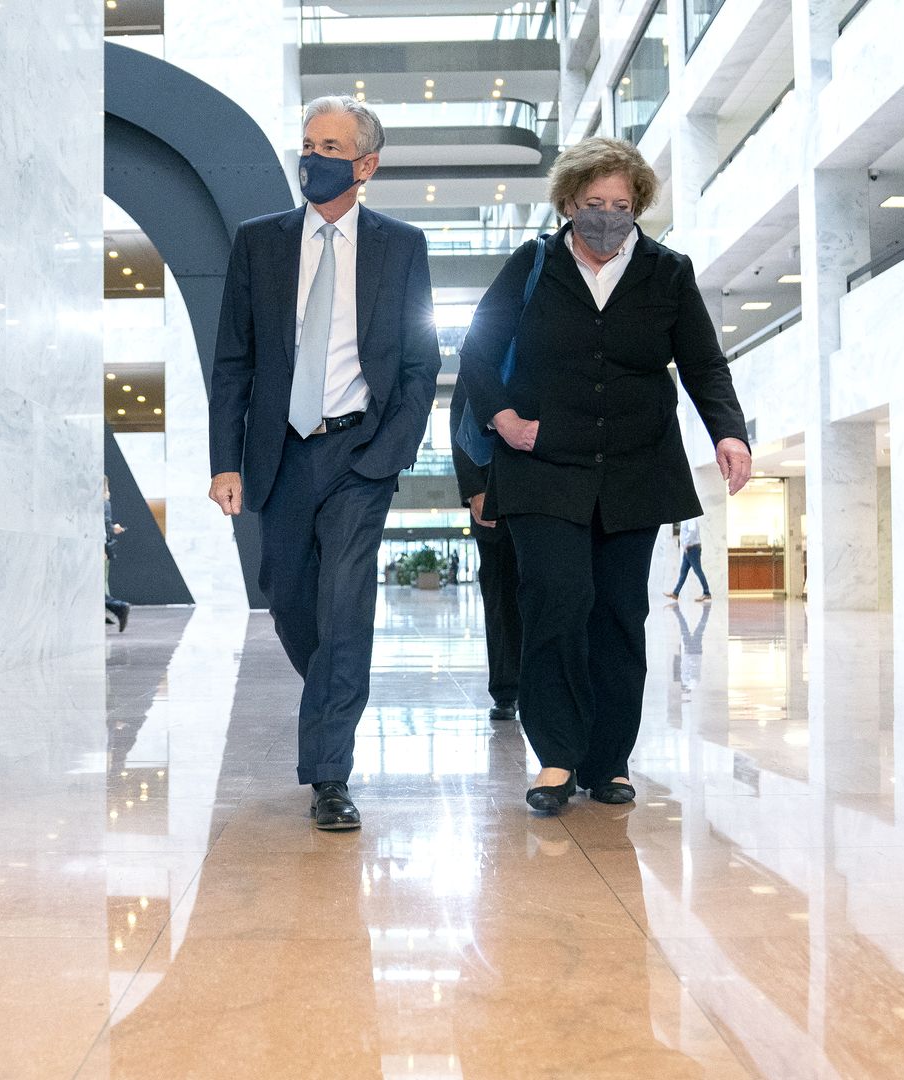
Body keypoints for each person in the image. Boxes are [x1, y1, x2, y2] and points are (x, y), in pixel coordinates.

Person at [457, 136, 751, 813]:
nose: (608, 217)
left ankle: (608, 760)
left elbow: (704, 364)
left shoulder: (666, 272)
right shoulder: (533, 265)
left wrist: (728, 431)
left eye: (622, 205)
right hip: (542, 465)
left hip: (634, 467)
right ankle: (558, 757)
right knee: (557, 601)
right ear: (567, 203)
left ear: (639, 207)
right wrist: (502, 417)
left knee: (620, 613)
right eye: (594, 203)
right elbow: (478, 346)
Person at [208, 95, 442, 830]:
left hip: (357, 452)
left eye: (333, 146)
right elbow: (234, 361)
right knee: (286, 596)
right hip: (279, 451)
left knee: (344, 608)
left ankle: (329, 775)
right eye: (308, 142)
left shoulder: (401, 246)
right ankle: (335, 692)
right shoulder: (260, 242)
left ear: (366, 164)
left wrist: (389, 453)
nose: (314, 157)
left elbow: (417, 361)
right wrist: (226, 460)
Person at [449, 377, 521, 724]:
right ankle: (506, 690)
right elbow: (460, 418)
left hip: (550, 486)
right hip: (494, 491)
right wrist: (474, 489)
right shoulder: (485, 337)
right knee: (500, 596)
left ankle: (544, 687)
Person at [103, 477, 130, 630]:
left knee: (100, 584)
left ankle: (117, 607)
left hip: (100, 549)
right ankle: (110, 610)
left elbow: (104, 526)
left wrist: (103, 547)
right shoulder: (104, 503)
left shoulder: (103, 504)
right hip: (101, 548)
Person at [665, 517, 711, 602]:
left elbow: (692, 531)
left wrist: (686, 543)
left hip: (692, 549)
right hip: (688, 550)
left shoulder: (691, 519)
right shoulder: (685, 520)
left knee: (698, 570)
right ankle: (675, 593)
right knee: (683, 571)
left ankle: (707, 593)